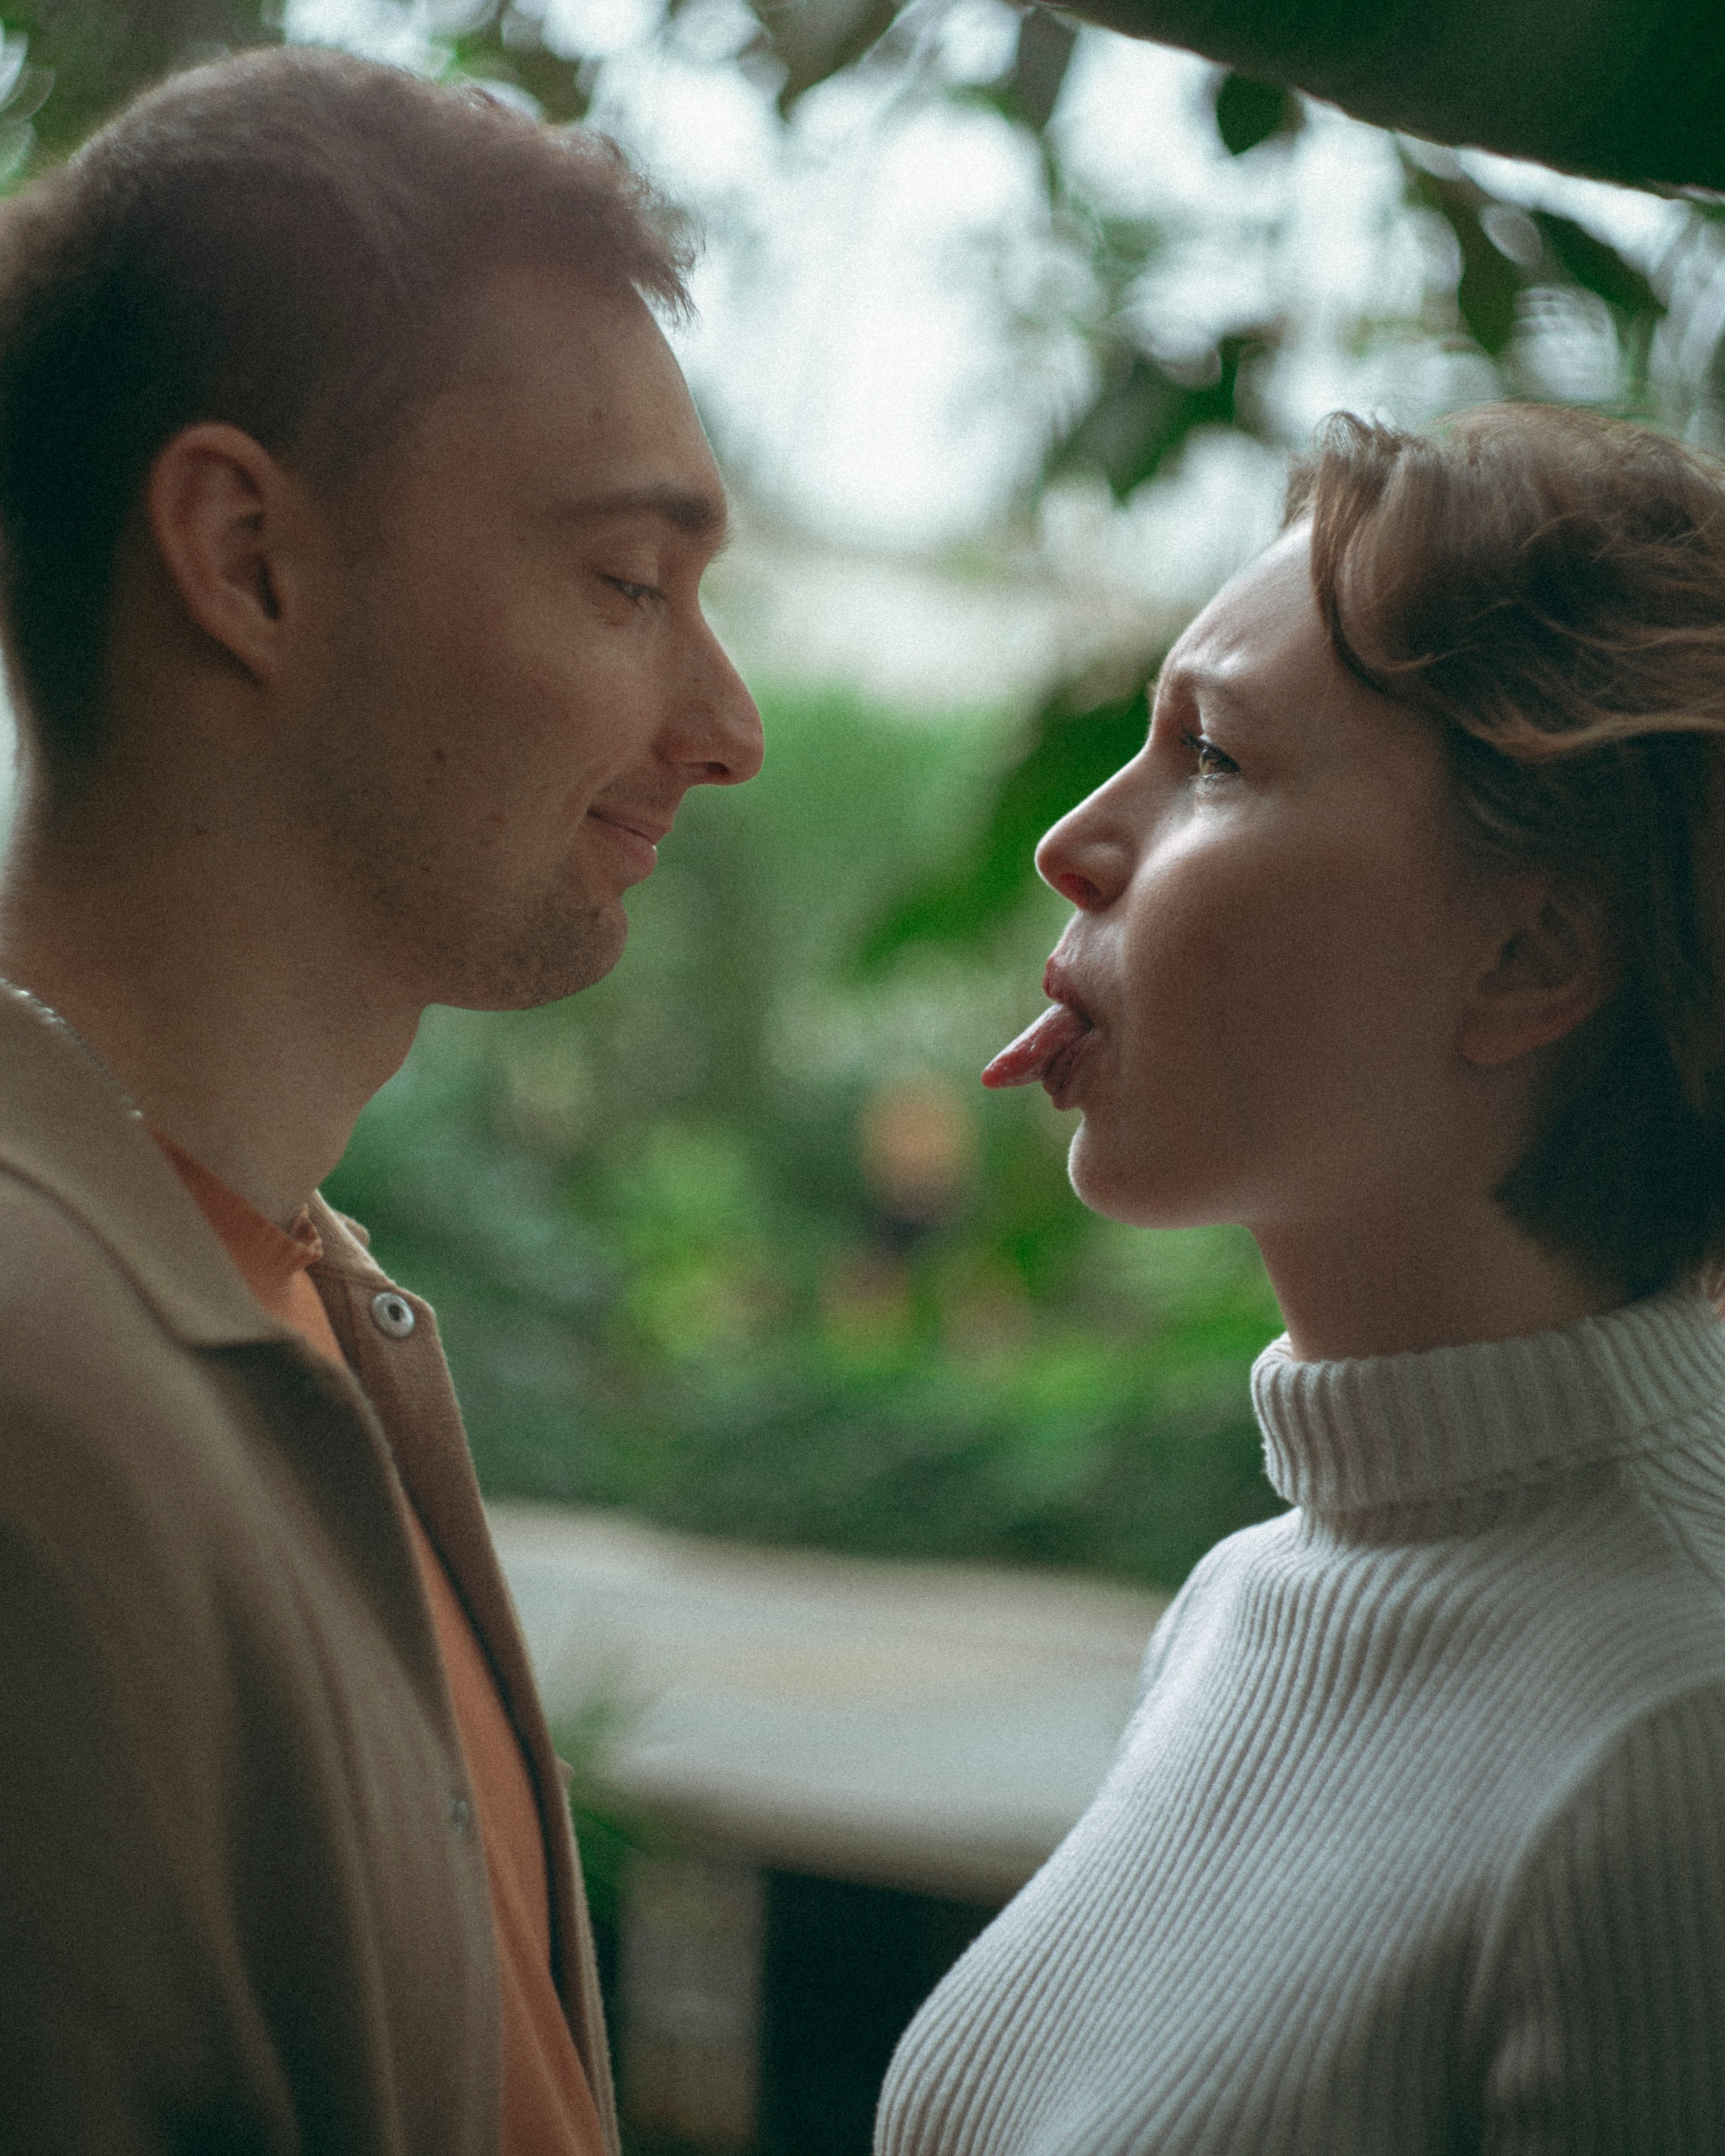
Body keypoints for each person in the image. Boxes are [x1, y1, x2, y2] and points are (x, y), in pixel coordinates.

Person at [0, 45, 760, 2156]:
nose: (728, 724)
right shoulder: (30, 1400)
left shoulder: (297, 1300)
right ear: (245, 558)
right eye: (628, 585)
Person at [875, 404, 1725, 2154]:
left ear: (1535, 949)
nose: (1076, 841)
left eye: (1219, 760)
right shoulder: (1247, 1603)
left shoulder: (1670, 1749)